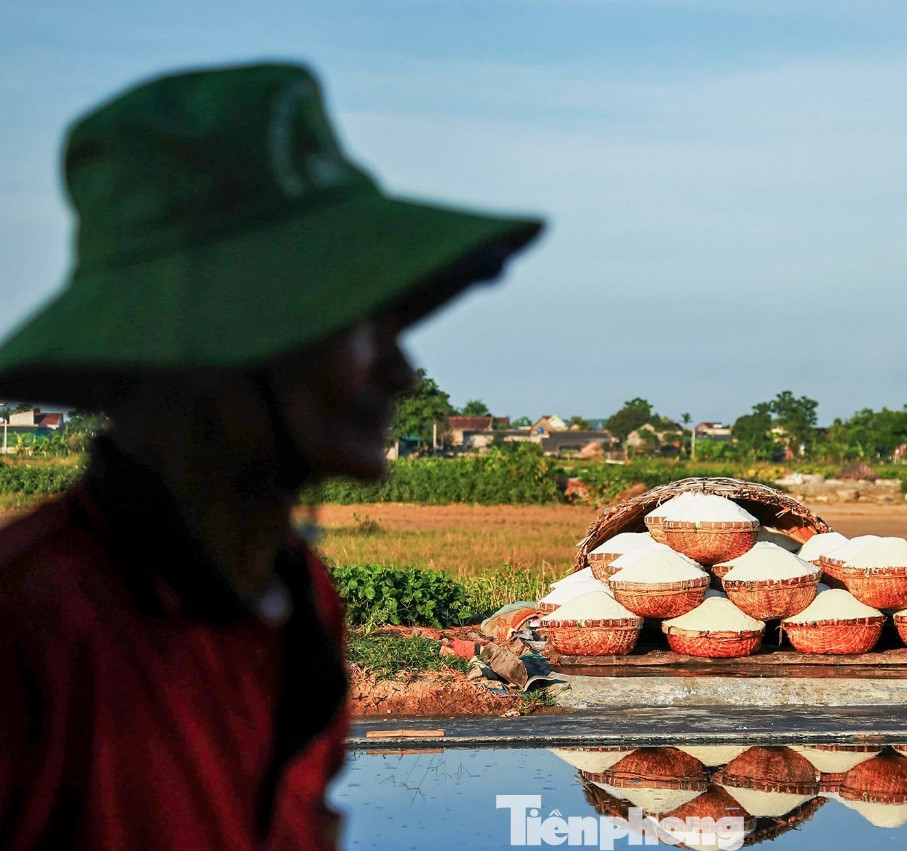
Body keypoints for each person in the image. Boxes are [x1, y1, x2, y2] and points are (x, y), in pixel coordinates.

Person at [0, 62, 543, 848]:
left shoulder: (299, 601)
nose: (400, 370)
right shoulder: (31, 628)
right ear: (218, 348)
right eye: (357, 324)